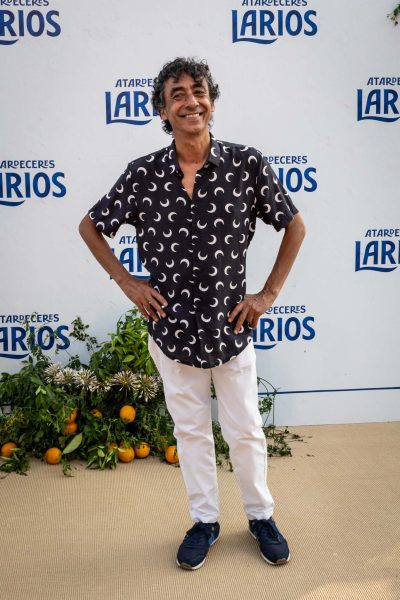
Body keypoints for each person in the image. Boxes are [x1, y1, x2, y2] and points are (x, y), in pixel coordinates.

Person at [79, 57, 306, 570]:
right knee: (191, 432)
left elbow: (294, 225)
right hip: (172, 332)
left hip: (232, 330)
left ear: (212, 101)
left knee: (245, 429)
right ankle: (204, 521)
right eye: (176, 94)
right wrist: (127, 282)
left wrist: (266, 295)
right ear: (163, 110)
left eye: (197, 90)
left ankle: (261, 516)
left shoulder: (247, 165)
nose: (190, 101)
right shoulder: (143, 174)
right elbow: (91, 226)